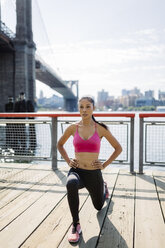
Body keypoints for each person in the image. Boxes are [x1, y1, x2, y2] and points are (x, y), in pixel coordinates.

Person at [57, 96, 122, 243]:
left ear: (93, 108)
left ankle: (103, 188)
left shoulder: (100, 129)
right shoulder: (73, 128)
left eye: (88, 106)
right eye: (81, 107)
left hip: (93, 173)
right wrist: (68, 160)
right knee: (70, 184)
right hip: (77, 171)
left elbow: (118, 148)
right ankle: (76, 224)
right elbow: (59, 144)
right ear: (78, 108)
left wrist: (104, 165)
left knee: (99, 207)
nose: (84, 110)